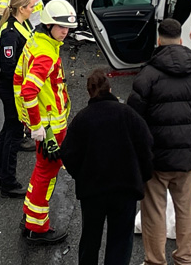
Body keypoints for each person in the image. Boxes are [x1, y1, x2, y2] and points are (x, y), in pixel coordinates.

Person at [128, 18, 191, 265]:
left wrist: (140, 153)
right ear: (181, 40)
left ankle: (155, 261)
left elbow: (134, 118)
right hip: (188, 158)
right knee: (185, 209)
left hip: (156, 159)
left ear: (159, 40)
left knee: (154, 212)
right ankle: (185, 257)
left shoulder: (148, 75)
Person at [60, 69, 154, 265]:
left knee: (90, 239)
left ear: (89, 92)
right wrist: (141, 176)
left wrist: (82, 175)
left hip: (93, 191)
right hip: (125, 189)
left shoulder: (82, 118)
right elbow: (146, 146)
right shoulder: (129, 115)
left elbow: (68, 153)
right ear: (110, 89)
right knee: (120, 241)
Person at [15, 0, 80, 245]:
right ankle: (37, 228)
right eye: (61, 26)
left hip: (46, 125)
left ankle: (30, 217)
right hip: (50, 128)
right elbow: (29, 91)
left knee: (41, 172)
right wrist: (37, 126)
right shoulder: (45, 53)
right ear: (49, 24)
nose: (65, 32)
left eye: (68, 28)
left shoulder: (39, 41)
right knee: (47, 174)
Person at [0, 0, 34, 198]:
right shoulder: (10, 33)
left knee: (8, 129)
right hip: (11, 89)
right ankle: (8, 181)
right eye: (31, 6)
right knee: (14, 134)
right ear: (21, 8)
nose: (33, 10)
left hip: (14, 88)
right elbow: (8, 67)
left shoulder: (22, 25)